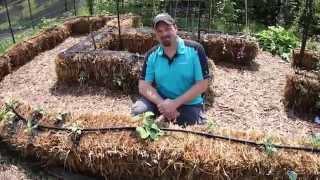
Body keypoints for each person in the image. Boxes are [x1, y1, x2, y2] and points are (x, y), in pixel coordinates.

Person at [131, 13, 211, 126]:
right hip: (161, 100)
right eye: (159, 31)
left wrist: (174, 104)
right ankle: (164, 116)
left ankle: (168, 117)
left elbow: (202, 84)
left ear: (176, 28)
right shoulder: (151, 55)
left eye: (168, 29)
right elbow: (143, 86)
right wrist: (163, 103)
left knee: (191, 125)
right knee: (138, 112)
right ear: (156, 35)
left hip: (188, 102)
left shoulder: (196, 50)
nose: (164, 33)